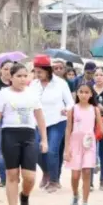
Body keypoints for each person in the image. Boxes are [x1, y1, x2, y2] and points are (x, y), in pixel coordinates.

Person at [0, 63, 47, 205]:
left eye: (25, 76)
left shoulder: (32, 94)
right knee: (12, 175)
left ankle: (25, 196)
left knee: (29, 177)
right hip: (9, 135)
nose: (22, 79)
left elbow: (40, 117)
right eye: (18, 76)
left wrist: (44, 139)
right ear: (11, 78)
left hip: (28, 135)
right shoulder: (3, 94)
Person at [65, 83, 103, 205]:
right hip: (75, 142)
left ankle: (85, 203)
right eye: (81, 92)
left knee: (87, 172)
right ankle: (75, 195)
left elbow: (102, 128)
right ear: (77, 94)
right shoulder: (72, 110)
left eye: (87, 92)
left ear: (91, 94)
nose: (84, 95)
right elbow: (68, 129)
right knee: (75, 175)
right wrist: (66, 148)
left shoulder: (95, 109)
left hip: (89, 143)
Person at [29, 54, 74, 192]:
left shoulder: (60, 83)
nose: (37, 74)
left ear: (48, 70)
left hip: (57, 121)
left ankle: (54, 181)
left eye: (39, 72)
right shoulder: (33, 84)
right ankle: (46, 172)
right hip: (37, 123)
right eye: (35, 72)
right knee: (35, 149)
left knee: (52, 151)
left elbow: (70, 102)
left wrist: (66, 110)